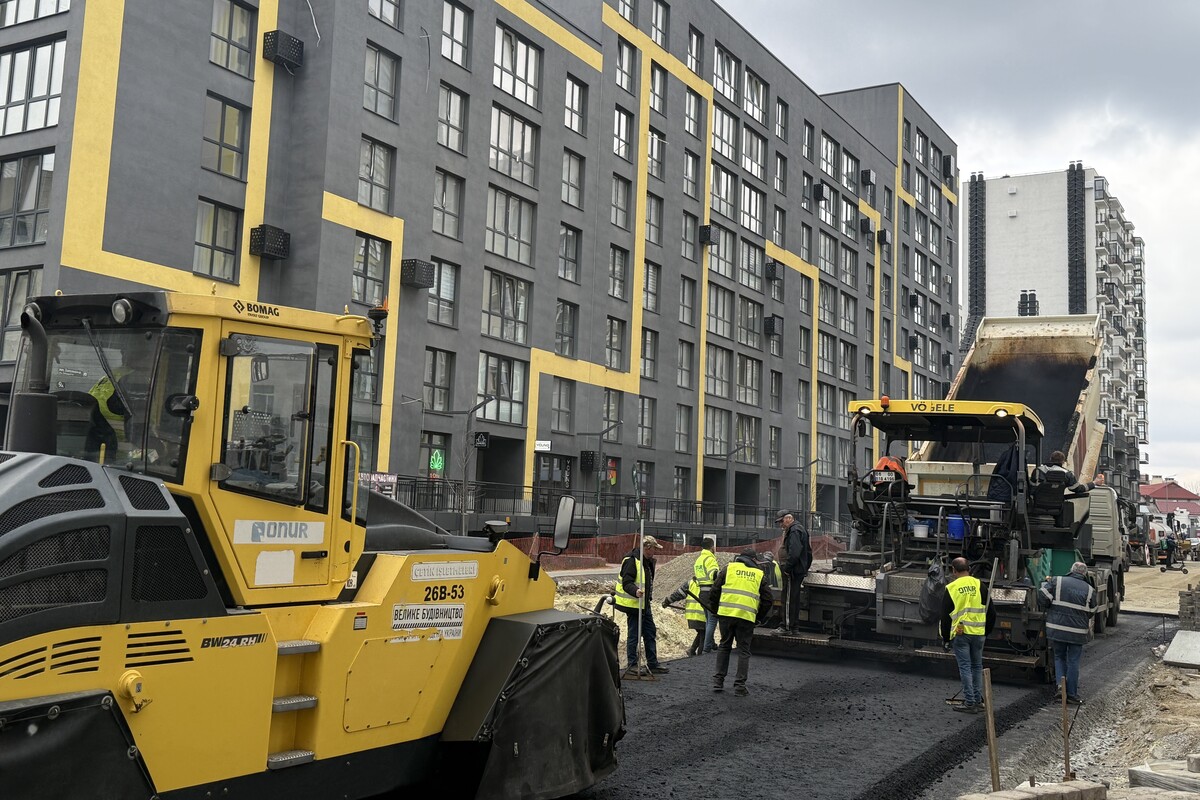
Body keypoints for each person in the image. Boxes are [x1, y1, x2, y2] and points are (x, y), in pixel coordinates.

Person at [710, 547, 773, 696]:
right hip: (746, 617)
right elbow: (768, 600)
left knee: (724, 646)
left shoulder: (728, 569)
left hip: (726, 614)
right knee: (743, 650)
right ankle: (739, 686)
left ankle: (718, 681)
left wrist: (715, 609)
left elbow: (714, 591)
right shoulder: (758, 574)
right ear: (753, 560)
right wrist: (759, 617)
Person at [939, 557, 996, 713]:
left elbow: (945, 616)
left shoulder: (951, 588)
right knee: (977, 666)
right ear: (968, 569)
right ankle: (977, 700)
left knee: (965, 667)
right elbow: (991, 612)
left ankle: (969, 702)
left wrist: (945, 638)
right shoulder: (980, 585)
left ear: (953, 570)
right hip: (978, 633)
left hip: (961, 634)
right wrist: (986, 631)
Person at [1038, 562, 1096, 703]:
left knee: (1059, 657)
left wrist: (1049, 604)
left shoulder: (1057, 580)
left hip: (1057, 629)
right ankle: (1071, 694)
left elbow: (1042, 593)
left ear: (1071, 570)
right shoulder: (1089, 589)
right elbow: (1092, 611)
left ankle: (1060, 688)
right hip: (1077, 632)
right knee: (1073, 661)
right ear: (1084, 574)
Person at [614, 535, 669, 676]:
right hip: (633, 604)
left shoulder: (647, 561)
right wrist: (635, 591)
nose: (655, 552)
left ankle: (653, 663)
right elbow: (627, 582)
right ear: (647, 548)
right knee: (634, 635)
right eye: (654, 549)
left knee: (650, 632)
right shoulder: (632, 561)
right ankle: (632, 664)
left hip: (644, 604)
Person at [776, 509, 812, 633]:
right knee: (794, 598)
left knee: (788, 599)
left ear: (788, 518)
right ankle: (793, 626)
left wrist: (788, 568)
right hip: (798, 570)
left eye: (781, 521)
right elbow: (808, 552)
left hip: (792, 571)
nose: (781, 525)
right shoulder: (800, 529)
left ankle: (786, 627)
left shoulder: (794, 531)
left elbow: (794, 552)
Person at [662, 577, 707, 656]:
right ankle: (700, 656)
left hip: (692, 614)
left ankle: (692, 650)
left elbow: (678, 594)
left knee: (701, 633)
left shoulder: (691, 583)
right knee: (704, 635)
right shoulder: (708, 584)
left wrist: (667, 601)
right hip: (702, 615)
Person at [693, 535, 720, 653]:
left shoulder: (698, 560)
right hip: (710, 592)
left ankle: (708, 645)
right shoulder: (710, 559)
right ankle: (707, 647)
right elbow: (714, 575)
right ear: (712, 547)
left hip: (702, 593)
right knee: (712, 620)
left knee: (708, 620)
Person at [1036, 450, 1101, 495]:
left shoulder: (1039, 470)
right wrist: (1094, 483)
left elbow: (1032, 487)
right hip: (1057, 507)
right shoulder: (1068, 474)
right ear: (1063, 462)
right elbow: (1078, 489)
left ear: (1050, 459)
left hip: (1037, 505)